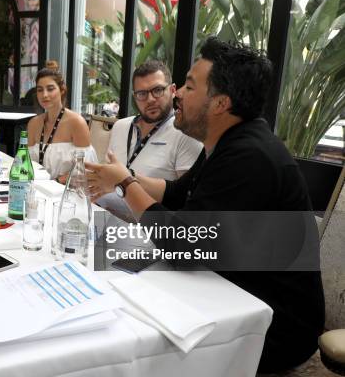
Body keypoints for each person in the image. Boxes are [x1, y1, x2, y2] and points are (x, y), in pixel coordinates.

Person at [85, 37, 324, 373]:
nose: (177, 93)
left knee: (123, 329)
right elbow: (177, 192)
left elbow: (182, 244)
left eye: (189, 86)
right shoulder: (227, 141)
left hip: (272, 323)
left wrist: (126, 184)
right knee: (105, 271)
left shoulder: (250, 156)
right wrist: (124, 175)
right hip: (225, 286)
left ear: (220, 103)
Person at [108, 61, 201, 181]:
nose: (150, 99)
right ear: (135, 97)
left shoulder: (186, 134)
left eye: (157, 90)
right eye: (142, 93)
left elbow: (185, 196)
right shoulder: (120, 126)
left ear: (173, 91)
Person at [27, 66, 97, 182]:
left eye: (50, 89)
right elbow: (26, 162)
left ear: (62, 90)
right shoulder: (33, 124)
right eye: (40, 90)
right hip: (37, 188)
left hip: (68, 190)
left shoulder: (76, 122)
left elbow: (85, 168)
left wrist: (56, 183)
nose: (44, 95)